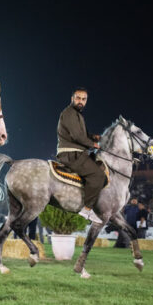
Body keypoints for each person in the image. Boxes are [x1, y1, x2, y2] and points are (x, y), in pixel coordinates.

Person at [56, 87, 105, 224]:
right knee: (98, 175)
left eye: (84, 99)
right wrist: (93, 144)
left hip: (76, 152)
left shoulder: (77, 115)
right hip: (71, 154)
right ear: (72, 98)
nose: (80, 101)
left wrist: (93, 137)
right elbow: (77, 136)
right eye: (78, 98)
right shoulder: (70, 113)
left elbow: (81, 135)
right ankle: (87, 208)